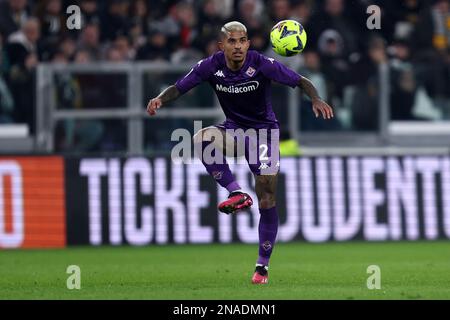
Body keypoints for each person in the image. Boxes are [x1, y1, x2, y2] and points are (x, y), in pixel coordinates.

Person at [146, 21, 333, 284]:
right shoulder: (210, 66)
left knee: (267, 198)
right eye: (232, 41)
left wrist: (315, 98)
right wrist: (159, 99)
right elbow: (179, 87)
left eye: (242, 40)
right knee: (202, 138)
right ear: (222, 45)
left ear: (248, 43)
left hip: (265, 134)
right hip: (234, 131)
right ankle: (236, 192)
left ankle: (262, 267)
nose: (238, 46)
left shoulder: (261, 63)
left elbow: (301, 81)